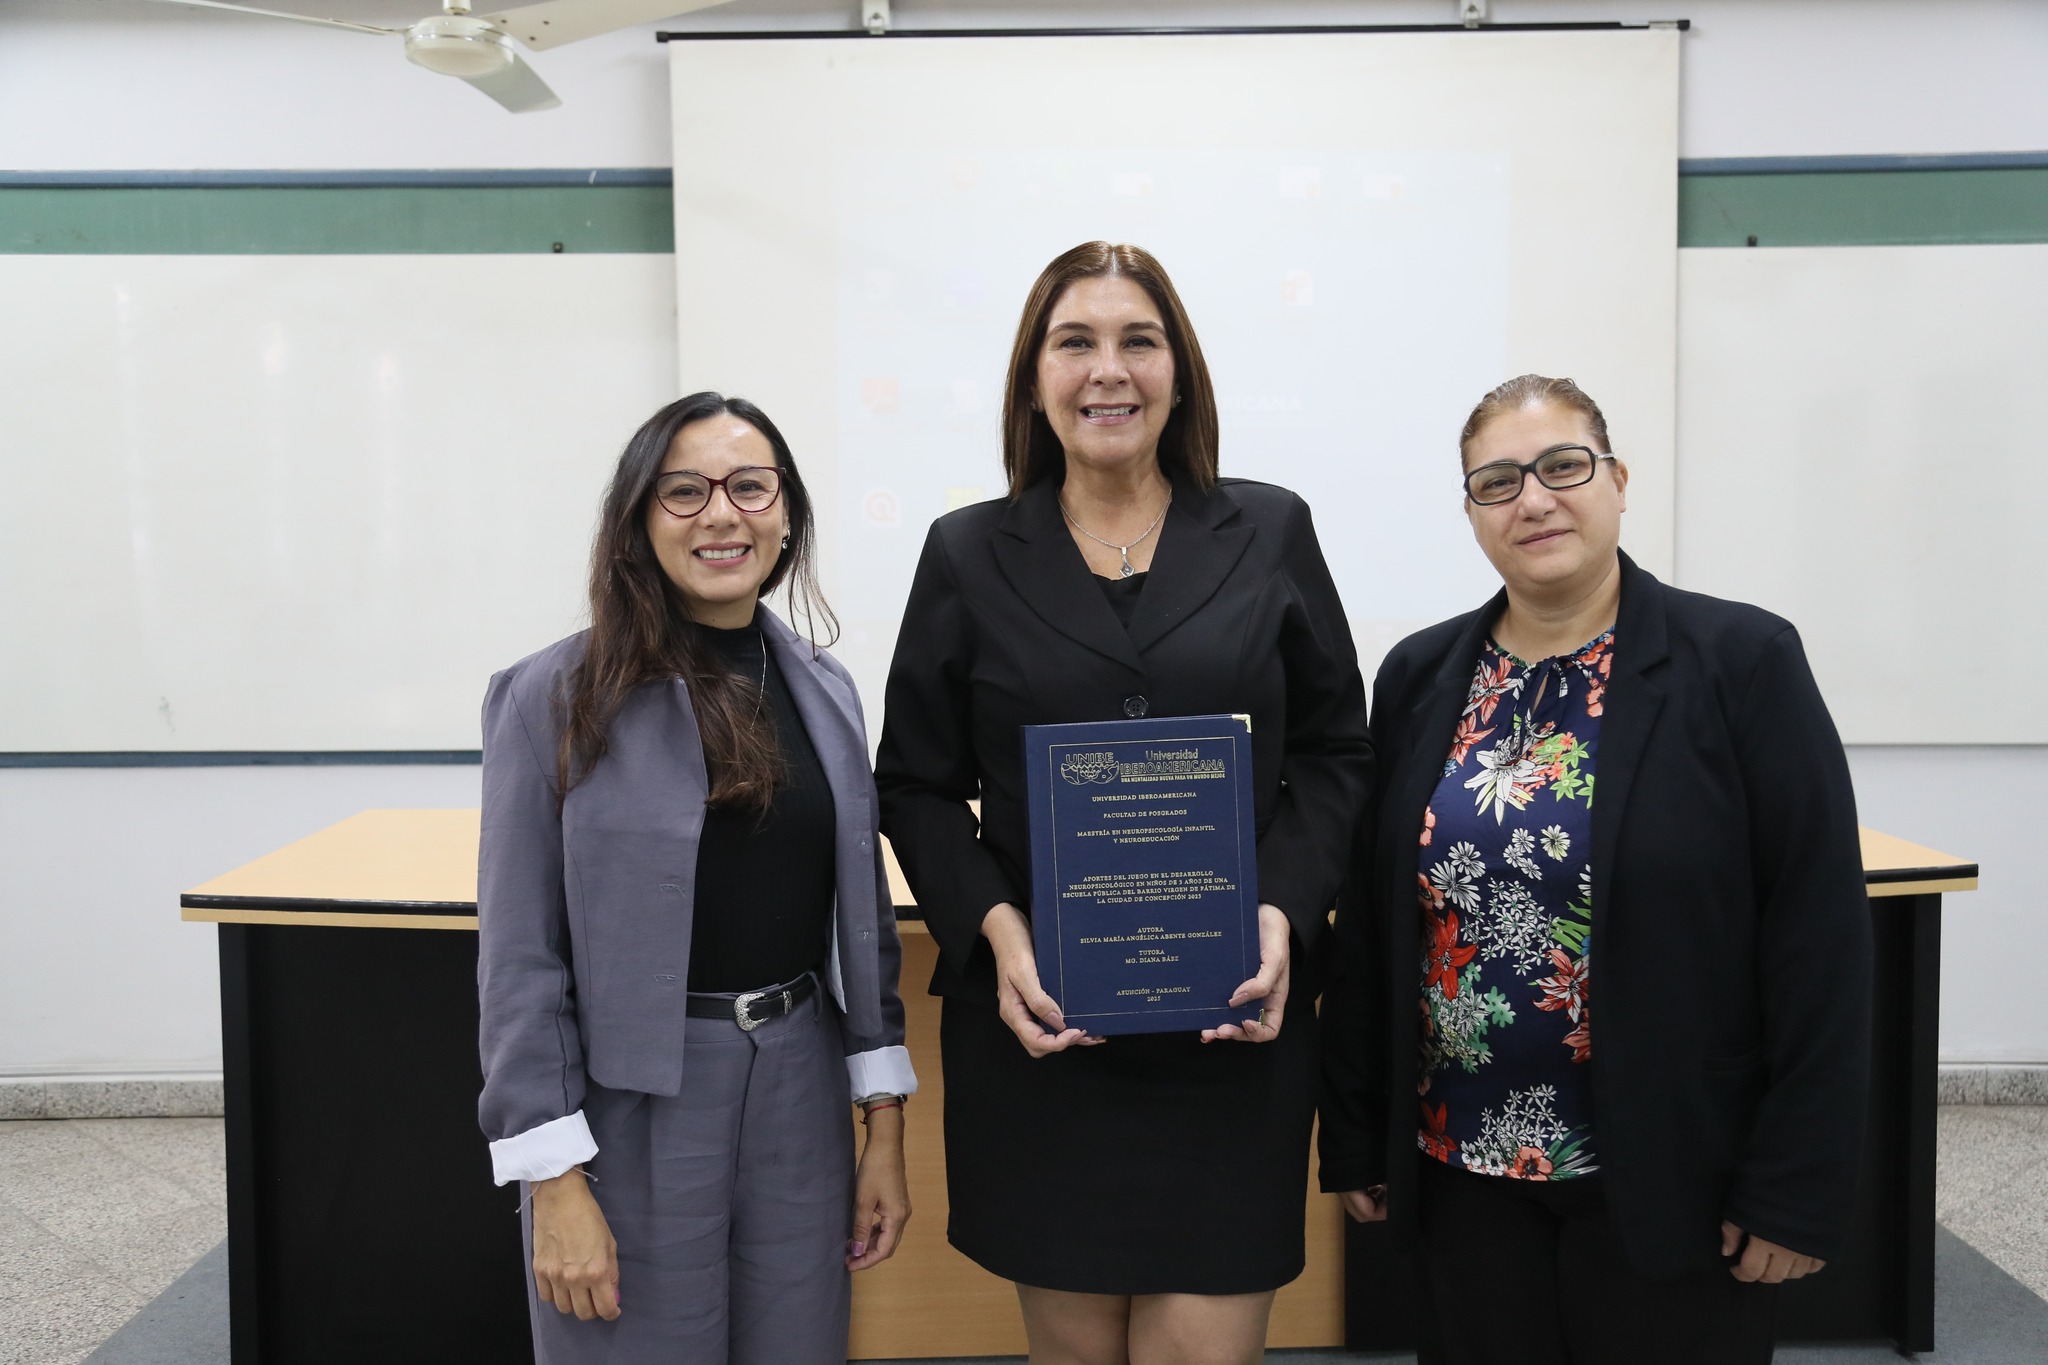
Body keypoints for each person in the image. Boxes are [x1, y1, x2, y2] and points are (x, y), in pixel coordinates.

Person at [875, 241, 1371, 1365]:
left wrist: (1282, 911)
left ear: (1178, 372)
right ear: (1032, 379)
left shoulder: (1269, 530)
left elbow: (1338, 754)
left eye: (1136, 341)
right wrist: (993, 932)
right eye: (1074, 342)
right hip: (1047, 1033)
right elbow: (910, 781)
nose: (1108, 370)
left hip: (1229, 1030)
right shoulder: (963, 552)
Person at [1319, 374, 1872, 1364]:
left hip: (1672, 1179)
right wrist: (1358, 1134)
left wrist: (1793, 1186)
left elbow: (1817, 939)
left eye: (1560, 467)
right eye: (1495, 482)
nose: (1531, 499)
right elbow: (1372, 926)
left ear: (1616, 480)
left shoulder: (1739, 661)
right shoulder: (1416, 675)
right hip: (1459, 1177)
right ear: (1470, 514)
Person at [475, 392, 916, 1365]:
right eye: (684, 492)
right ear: (637, 520)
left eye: (750, 486)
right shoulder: (550, 697)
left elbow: (862, 922)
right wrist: (552, 1178)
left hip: (798, 1081)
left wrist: (880, 1126)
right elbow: (519, 961)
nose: (722, 514)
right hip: (632, 1098)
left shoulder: (824, 687)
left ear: (786, 510)